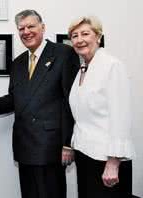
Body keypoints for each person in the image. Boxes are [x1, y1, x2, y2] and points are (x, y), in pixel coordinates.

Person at [0, 9, 79, 198]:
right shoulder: (17, 63)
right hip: (24, 144)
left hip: (51, 146)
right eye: (21, 28)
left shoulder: (63, 53)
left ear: (43, 27)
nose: (26, 32)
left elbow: (71, 101)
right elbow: (15, 99)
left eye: (31, 26)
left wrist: (68, 144)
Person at [68, 16, 135, 198]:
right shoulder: (83, 68)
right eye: (74, 35)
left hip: (107, 160)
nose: (79, 39)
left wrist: (113, 163)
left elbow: (121, 117)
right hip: (85, 154)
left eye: (85, 33)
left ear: (98, 37)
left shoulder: (112, 66)